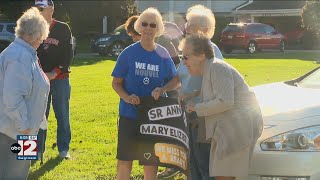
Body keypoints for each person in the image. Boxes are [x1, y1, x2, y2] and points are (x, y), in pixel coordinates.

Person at [153, 4, 223, 179]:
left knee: (203, 161)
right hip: (187, 114)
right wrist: (163, 89)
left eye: (191, 24)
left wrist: (192, 96)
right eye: (187, 24)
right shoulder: (188, 50)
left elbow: (216, 82)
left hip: (204, 116)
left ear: (205, 29)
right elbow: (178, 77)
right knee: (189, 161)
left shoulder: (212, 51)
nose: (186, 27)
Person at [181, 34, 263, 180]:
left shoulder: (216, 67)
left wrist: (197, 107)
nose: (183, 62)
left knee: (223, 176)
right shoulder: (209, 69)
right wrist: (193, 94)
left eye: (186, 57)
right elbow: (217, 92)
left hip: (236, 130)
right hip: (227, 130)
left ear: (201, 55)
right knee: (221, 175)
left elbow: (225, 101)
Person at [111, 8, 177, 180]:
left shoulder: (163, 54)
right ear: (139, 27)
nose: (148, 28)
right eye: (145, 24)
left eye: (153, 25)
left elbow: (176, 80)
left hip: (153, 118)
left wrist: (163, 89)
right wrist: (126, 97)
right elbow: (116, 83)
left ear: (158, 29)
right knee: (125, 160)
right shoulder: (128, 53)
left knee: (150, 163)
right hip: (129, 115)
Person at [0, 7, 50, 179]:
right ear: (34, 35)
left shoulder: (26, 53)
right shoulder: (19, 56)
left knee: (22, 171)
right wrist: (24, 125)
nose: (42, 41)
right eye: (41, 38)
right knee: (15, 174)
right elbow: (12, 96)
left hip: (24, 130)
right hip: (16, 131)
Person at [35, 0, 74, 159]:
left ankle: (63, 149)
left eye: (41, 8)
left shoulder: (63, 28)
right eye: (36, 8)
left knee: (62, 114)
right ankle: (34, 152)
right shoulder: (32, 27)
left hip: (60, 79)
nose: (38, 11)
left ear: (51, 9)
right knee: (35, 116)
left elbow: (69, 53)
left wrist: (55, 72)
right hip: (37, 79)